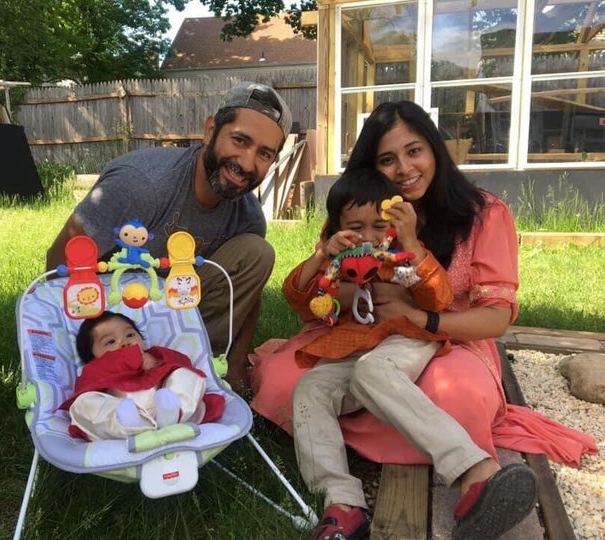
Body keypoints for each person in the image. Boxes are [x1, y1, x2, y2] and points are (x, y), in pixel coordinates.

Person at [250, 101, 598, 540]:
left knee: (454, 396)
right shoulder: (362, 210)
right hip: (358, 335)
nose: (403, 169)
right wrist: (347, 282)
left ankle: (474, 473)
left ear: (434, 148)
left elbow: (488, 314)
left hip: (440, 335)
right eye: (387, 159)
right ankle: (342, 501)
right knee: (294, 383)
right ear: (371, 167)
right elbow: (318, 294)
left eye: (414, 151)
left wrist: (419, 313)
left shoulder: (481, 214)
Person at [46, 81, 293, 392]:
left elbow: (247, 294)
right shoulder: (140, 184)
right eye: (240, 140)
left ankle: (201, 361)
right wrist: (63, 348)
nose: (246, 163)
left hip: (178, 313)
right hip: (113, 320)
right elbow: (57, 266)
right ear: (210, 130)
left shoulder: (248, 215)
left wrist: (237, 362)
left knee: (258, 252)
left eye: (264, 154)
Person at [269, 168, 454, 539]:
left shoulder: (404, 257)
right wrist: (321, 254)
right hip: (354, 343)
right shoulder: (337, 264)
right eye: (356, 226)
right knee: (310, 389)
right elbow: (298, 297)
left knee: (374, 371)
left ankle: (472, 470)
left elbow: (440, 298)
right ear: (337, 228)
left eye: (378, 226)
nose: (368, 237)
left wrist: (412, 242)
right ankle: (342, 501)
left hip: (404, 336)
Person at [59, 311, 224, 441]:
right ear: (93, 357)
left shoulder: (155, 355)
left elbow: (183, 362)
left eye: (130, 335)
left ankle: (172, 417)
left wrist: (157, 363)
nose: (124, 342)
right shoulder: (94, 369)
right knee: (82, 404)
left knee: (185, 374)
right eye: (110, 342)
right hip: (123, 415)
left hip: (167, 408)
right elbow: (85, 388)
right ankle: (133, 426)